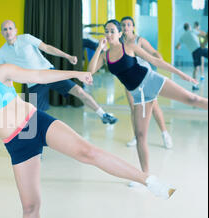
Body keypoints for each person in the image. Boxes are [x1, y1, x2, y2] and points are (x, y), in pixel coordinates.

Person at [0, 32, 176, 218]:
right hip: (16, 144)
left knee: (87, 153)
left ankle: (149, 181)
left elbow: (39, 76)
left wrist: (75, 74)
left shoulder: (1, 72)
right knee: (30, 207)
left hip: (35, 123)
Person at [88, 20, 207, 183]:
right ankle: (146, 177)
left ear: (120, 33)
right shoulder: (104, 55)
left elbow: (156, 61)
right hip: (138, 95)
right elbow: (89, 72)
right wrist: (98, 49)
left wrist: (182, 74)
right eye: (106, 31)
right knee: (140, 135)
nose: (108, 34)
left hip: (151, 80)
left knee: (192, 98)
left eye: (112, 31)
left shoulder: (129, 47)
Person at [0, 20, 118, 125]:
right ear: (1, 33)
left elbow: (47, 48)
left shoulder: (26, 38)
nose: (8, 31)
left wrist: (68, 57)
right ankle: (35, 146)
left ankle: (103, 115)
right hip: (33, 83)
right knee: (31, 117)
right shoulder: (2, 52)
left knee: (79, 91)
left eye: (10, 28)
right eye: (5, 29)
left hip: (49, 73)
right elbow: (0, 74)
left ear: (15, 30)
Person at [121, 16, 173, 150]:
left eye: (128, 24)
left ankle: (165, 134)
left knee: (154, 107)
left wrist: (160, 61)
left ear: (133, 27)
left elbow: (154, 52)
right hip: (129, 79)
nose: (126, 27)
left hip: (145, 77)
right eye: (123, 25)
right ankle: (137, 136)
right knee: (133, 108)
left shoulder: (140, 40)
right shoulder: (120, 43)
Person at [175, 23, 208, 89]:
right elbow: (203, 34)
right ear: (189, 27)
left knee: (196, 68)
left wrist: (179, 47)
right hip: (200, 48)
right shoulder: (192, 31)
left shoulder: (182, 36)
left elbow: (177, 47)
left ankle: (194, 85)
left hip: (194, 52)